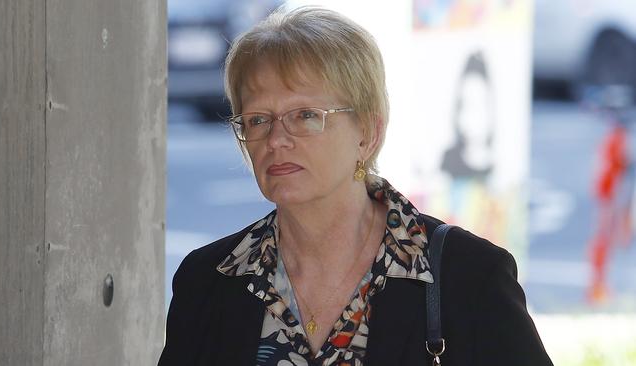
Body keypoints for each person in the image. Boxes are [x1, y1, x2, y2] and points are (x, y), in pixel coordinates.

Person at [158, 6, 553, 366]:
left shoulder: (468, 277)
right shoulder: (207, 280)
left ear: (367, 132)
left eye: (306, 115)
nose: (277, 139)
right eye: (259, 120)